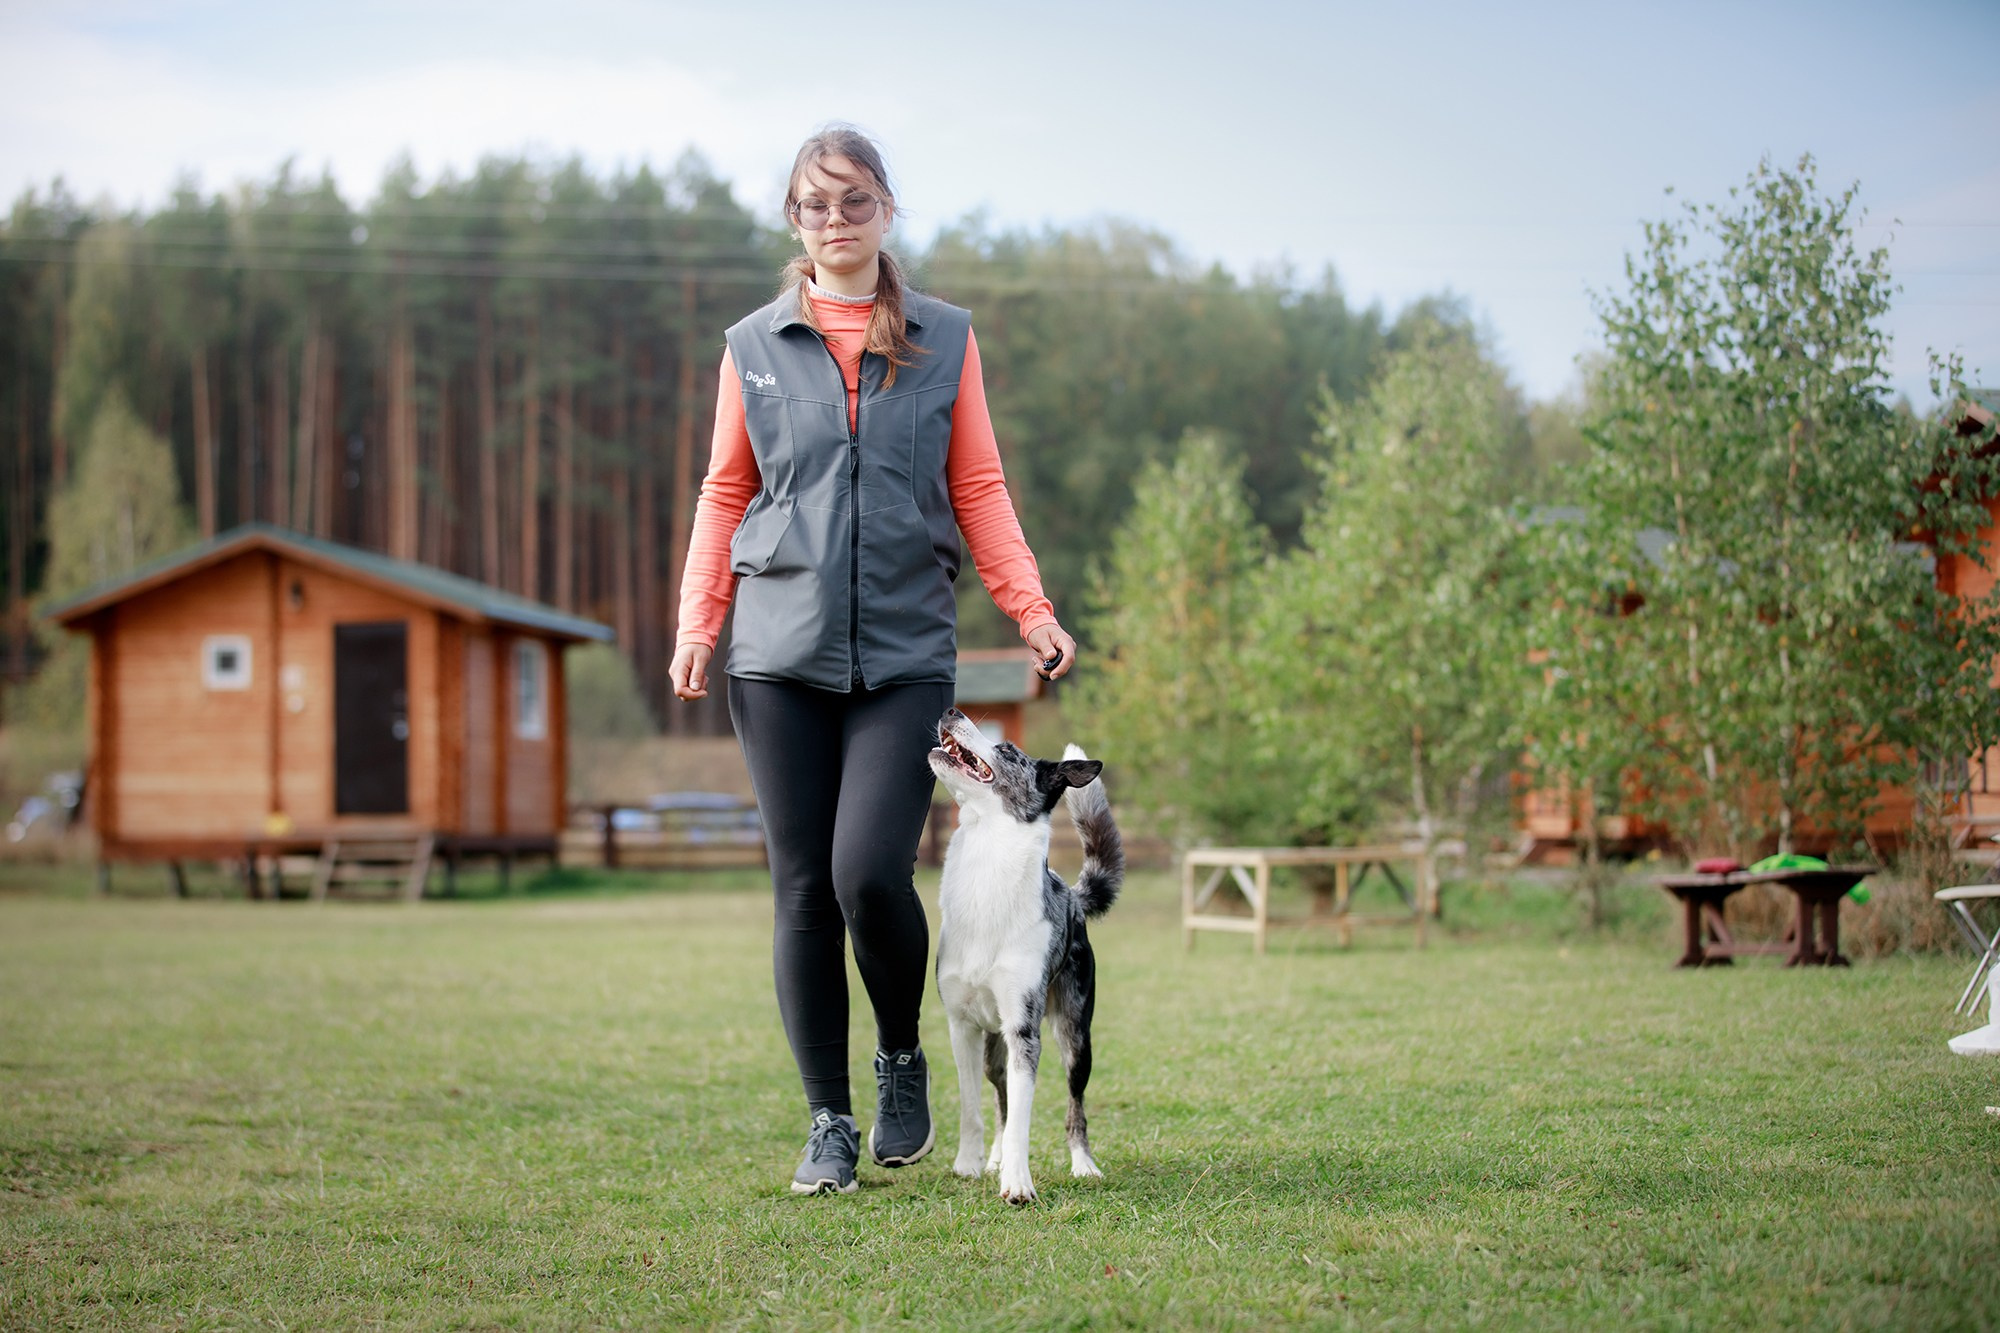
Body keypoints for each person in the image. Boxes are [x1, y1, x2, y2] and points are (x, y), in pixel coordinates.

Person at [669, 127, 1077, 1196]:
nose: (834, 222)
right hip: (776, 654)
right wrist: (696, 621)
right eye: (814, 206)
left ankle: (901, 1054)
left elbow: (978, 486)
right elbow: (724, 492)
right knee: (802, 886)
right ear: (793, 222)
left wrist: (1027, 608)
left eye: (853, 203)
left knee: (865, 872)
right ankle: (828, 1123)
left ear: (885, 212)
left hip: (902, 654)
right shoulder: (753, 344)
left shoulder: (942, 337)